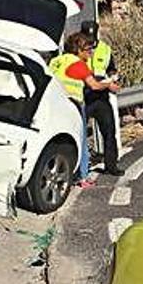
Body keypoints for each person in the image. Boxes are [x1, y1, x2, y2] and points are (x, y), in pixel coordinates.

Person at [48, 32, 120, 188]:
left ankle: (64, 173)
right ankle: (82, 177)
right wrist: (108, 85)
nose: (90, 53)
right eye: (87, 50)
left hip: (54, 103)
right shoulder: (78, 64)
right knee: (81, 141)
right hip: (74, 104)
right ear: (78, 49)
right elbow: (94, 85)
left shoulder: (56, 61)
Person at [80, 21, 123, 176]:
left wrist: (114, 78)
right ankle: (79, 170)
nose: (89, 40)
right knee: (79, 133)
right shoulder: (76, 50)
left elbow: (111, 69)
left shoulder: (105, 49)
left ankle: (111, 165)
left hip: (101, 97)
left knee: (109, 132)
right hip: (84, 97)